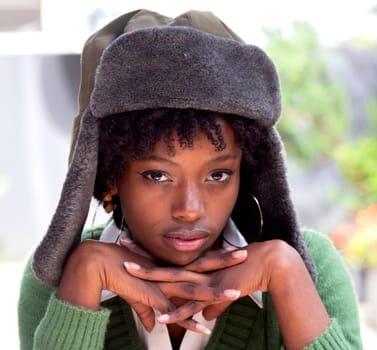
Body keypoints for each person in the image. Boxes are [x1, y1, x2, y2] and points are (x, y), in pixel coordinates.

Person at [18, 9, 362, 350]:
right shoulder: (55, 279)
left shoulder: (310, 266)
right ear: (107, 174)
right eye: (158, 175)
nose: (190, 210)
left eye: (218, 174)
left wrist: (287, 276)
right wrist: (81, 283)